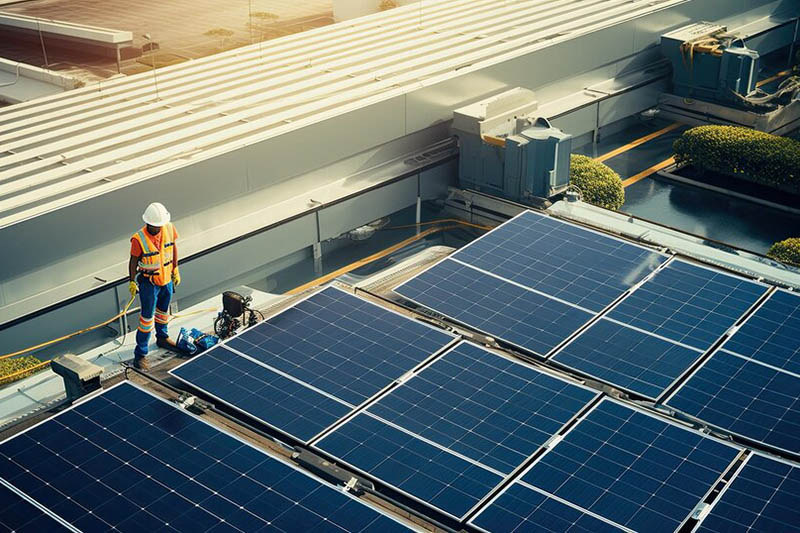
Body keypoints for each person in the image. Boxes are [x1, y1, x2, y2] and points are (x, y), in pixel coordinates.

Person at [128, 202, 181, 370]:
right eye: (154, 226)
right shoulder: (139, 239)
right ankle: (140, 354)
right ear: (148, 223)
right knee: (146, 319)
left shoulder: (169, 228)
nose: (157, 228)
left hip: (166, 279)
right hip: (149, 283)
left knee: (163, 312)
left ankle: (162, 337)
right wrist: (132, 280)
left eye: (159, 225)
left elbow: (173, 248)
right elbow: (133, 261)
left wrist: (175, 269)